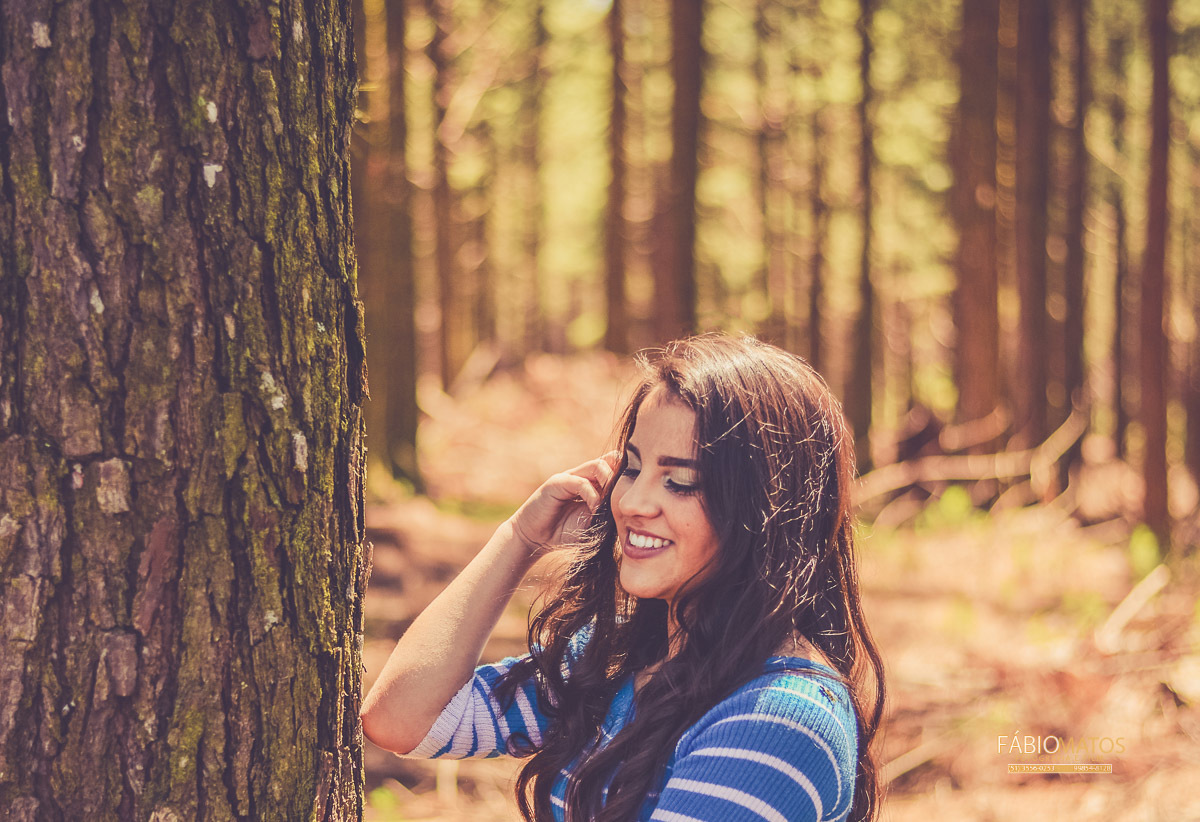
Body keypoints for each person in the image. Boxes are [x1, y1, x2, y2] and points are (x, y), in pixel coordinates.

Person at [360, 333, 886, 822]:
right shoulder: (618, 659)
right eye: (632, 468)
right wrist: (518, 537)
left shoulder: (777, 720)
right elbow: (401, 719)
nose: (632, 502)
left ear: (766, 510)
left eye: (680, 481)